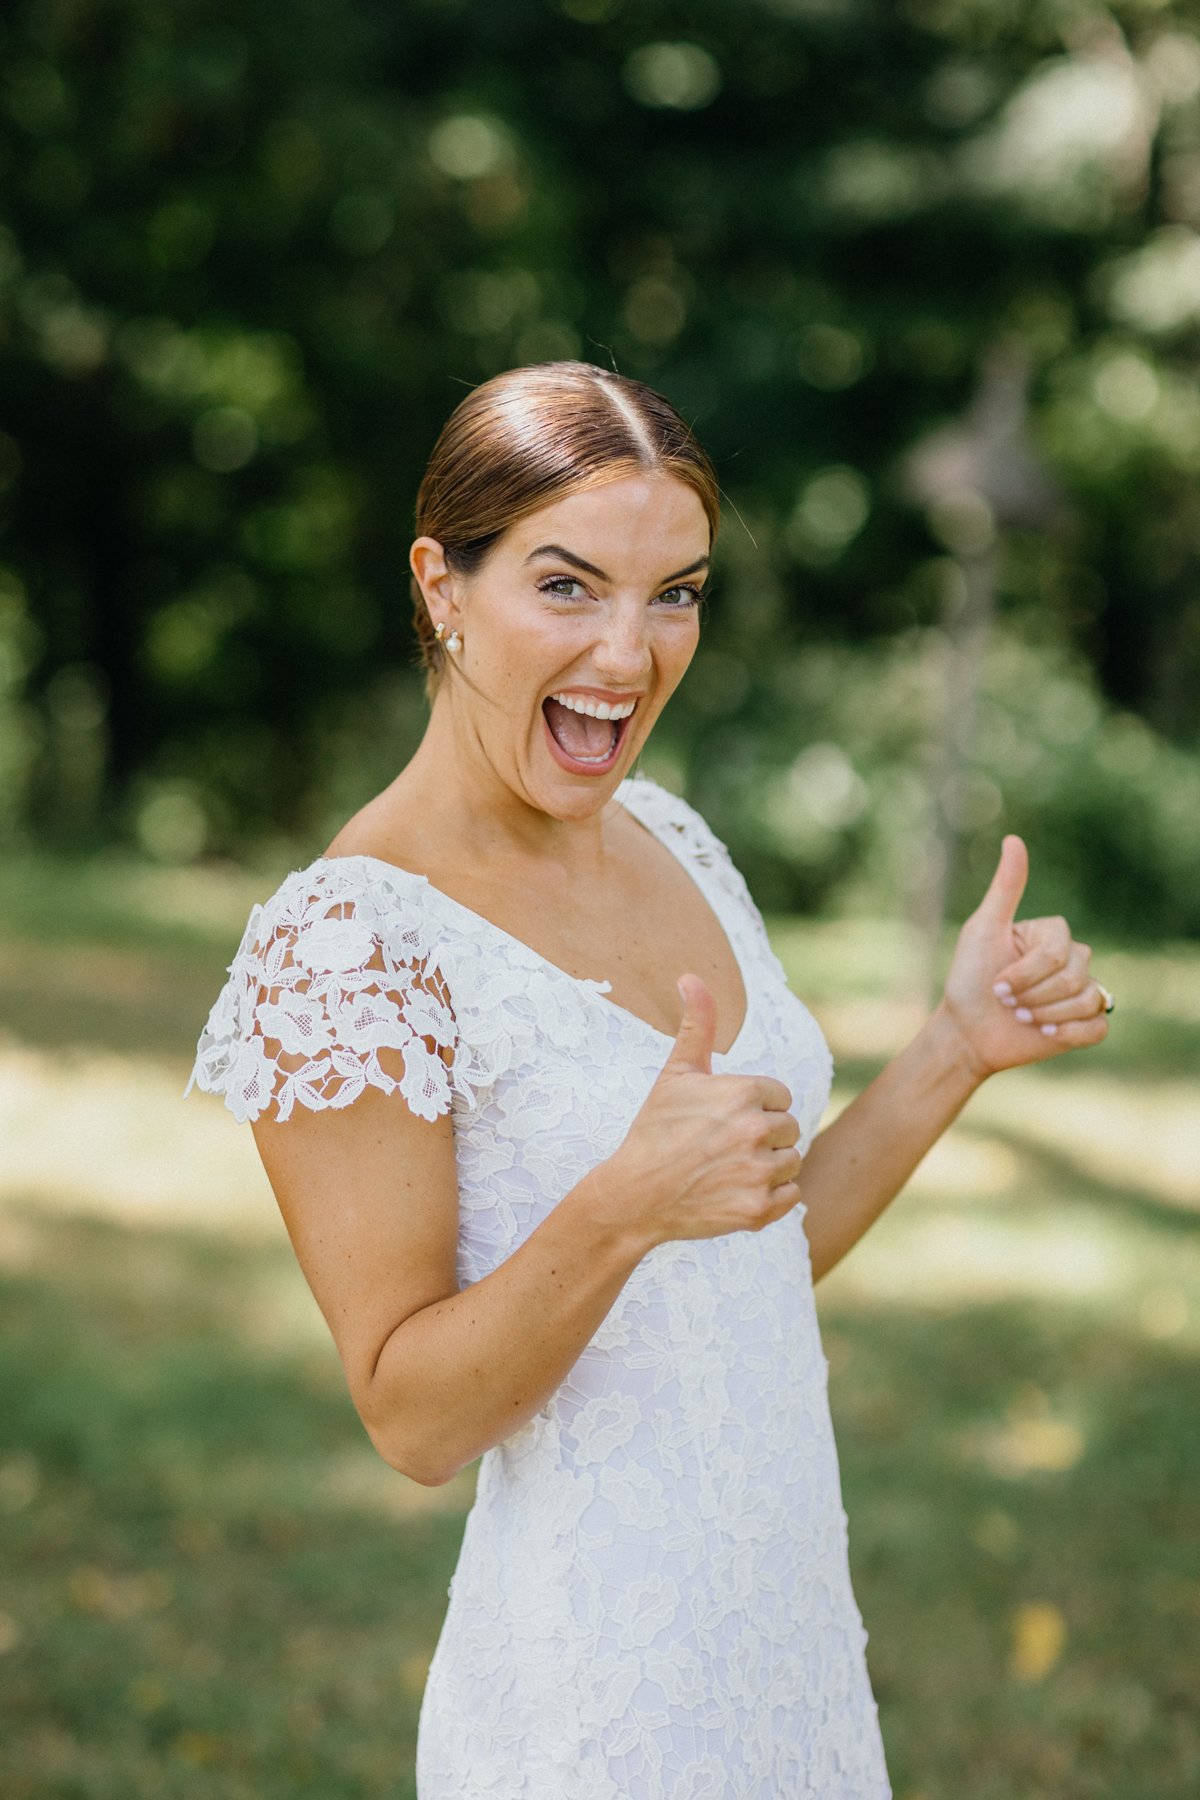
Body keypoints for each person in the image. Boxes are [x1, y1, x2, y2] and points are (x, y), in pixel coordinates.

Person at [190, 362, 1110, 1799]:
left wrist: (953, 1051)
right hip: (590, 1707)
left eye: (674, 592)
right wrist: (618, 1206)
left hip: (786, 1652)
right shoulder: (351, 943)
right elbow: (411, 1418)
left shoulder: (672, 836)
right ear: (442, 585)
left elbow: (745, 1258)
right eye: (567, 587)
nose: (629, 654)